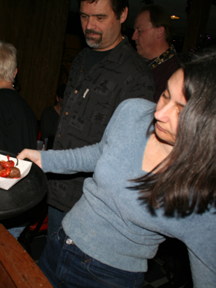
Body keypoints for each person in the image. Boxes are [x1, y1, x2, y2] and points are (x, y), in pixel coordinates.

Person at [17, 46, 216, 287]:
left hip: (109, 278)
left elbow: (213, 282)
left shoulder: (204, 196)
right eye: (166, 95)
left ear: (213, 125)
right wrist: (46, 159)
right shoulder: (133, 111)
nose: (160, 114)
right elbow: (100, 153)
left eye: (180, 110)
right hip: (60, 244)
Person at [46, 0, 154, 239]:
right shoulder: (81, 58)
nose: (89, 25)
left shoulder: (135, 75)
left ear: (122, 14)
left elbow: (126, 154)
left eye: (100, 18)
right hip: (57, 191)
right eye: (84, 16)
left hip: (92, 205)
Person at [132, 4, 180, 103]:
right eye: (134, 31)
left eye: (139, 31)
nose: (134, 37)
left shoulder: (175, 73)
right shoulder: (135, 65)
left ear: (159, 32)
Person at [40, 83, 66, 149]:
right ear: (57, 98)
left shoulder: (69, 116)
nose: (65, 101)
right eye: (63, 98)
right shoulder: (48, 113)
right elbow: (46, 137)